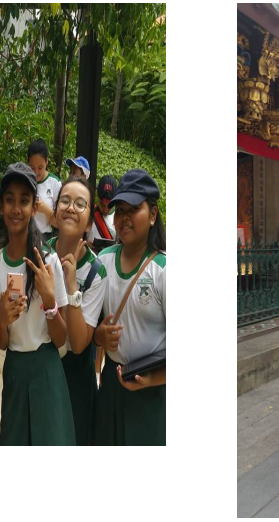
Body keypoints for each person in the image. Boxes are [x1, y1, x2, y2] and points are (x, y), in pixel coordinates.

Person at [0, 162, 74, 445]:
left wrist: (50, 301)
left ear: (33, 206)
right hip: (15, 370)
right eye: (10, 200)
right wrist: (2, 319)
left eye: (24, 201)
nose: (17, 209)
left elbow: (61, 339)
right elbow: (1, 343)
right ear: (0, 206)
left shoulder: (48, 261)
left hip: (46, 368)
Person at [93, 168, 166, 446]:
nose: (123, 218)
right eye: (119, 210)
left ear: (153, 214)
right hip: (112, 387)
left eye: (133, 209)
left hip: (152, 392)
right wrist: (99, 336)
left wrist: (152, 380)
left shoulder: (163, 271)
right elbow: (89, 325)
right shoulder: (104, 260)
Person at [48, 176, 107, 445]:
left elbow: (81, 343)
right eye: (65, 201)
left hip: (76, 374)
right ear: (56, 212)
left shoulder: (96, 271)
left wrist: (72, 286)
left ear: (89, 223)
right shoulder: (40, 252)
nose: (71, 208)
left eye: (80, 204)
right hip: (44, 365)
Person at [27, 139, 62, 239]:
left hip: (46, 237)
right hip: (26, 235)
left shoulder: (55, 183)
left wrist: (45, 210)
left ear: (47, 161)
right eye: (32, 168)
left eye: (40, 167)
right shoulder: (25, 181)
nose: (36, 172)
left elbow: (60, 223)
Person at [88, 175, 118, 252]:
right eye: (102, 205)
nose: (105, 209)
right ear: (97, 197)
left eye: (109, 206)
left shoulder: (118, 217)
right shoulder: (89, 214)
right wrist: (86, 244)